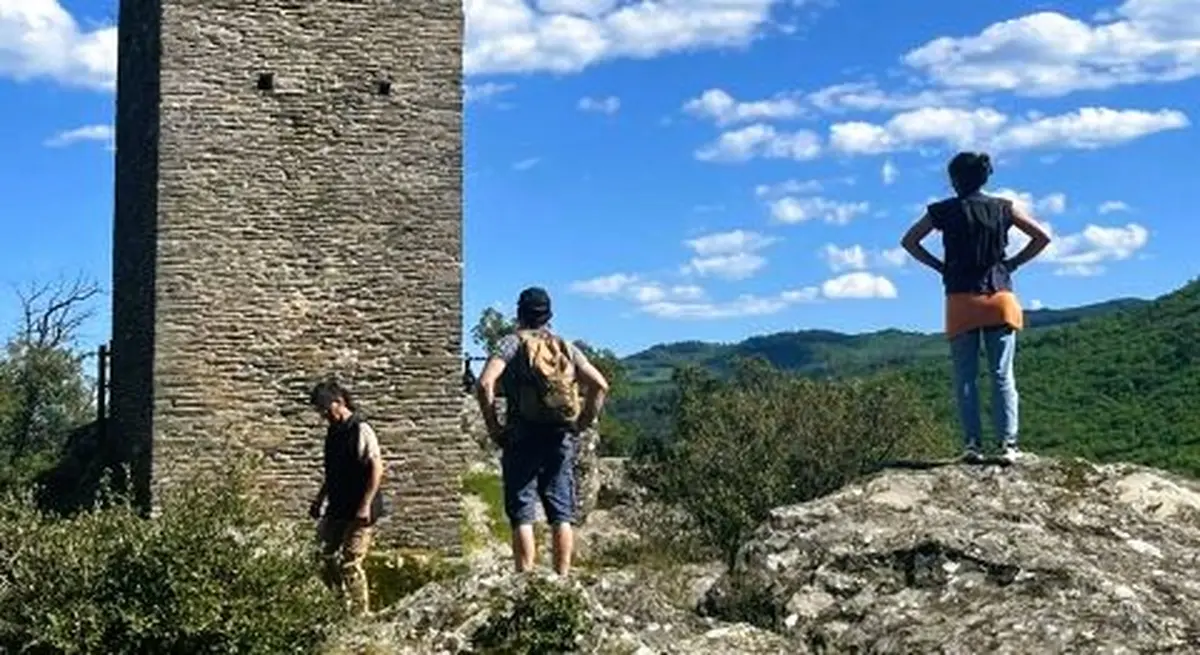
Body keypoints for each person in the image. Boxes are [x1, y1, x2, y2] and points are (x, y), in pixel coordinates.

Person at [900, 151, 1051, 465]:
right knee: (1001, 375)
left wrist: (940, 267)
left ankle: (972, 445)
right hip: (1000, 296)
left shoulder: (942, 211)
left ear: (954, 180)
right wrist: (1012, 264)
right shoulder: (1003, 208)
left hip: (960, 298)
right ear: (985, 177)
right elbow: (1042, 236)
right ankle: (1008, 445)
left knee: (966, 378)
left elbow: (910, 241)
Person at [475, 286, 609, 576]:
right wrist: (581, 423)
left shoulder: (510, 344)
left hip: (521, 435)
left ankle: (525, 579)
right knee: (561, 512)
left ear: (519, 313)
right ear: (548, 315)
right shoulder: (565, 346)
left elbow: (485, 383)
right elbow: (600, 385)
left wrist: (494, 427)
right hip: (560, 435)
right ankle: (562, 578)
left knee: (522, 511)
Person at [308, 380, 384, 615]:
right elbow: (333, 472)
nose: (324, 416)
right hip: (338, 505)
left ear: (339, 402)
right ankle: (338, 605)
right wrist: (320, 499)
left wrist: (365, 505)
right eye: (320, 412)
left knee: (350, 562)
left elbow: (377, 469)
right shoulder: (333, 433)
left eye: (326, 410)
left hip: (361, 508)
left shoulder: (361, 429)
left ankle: (360, 616)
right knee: (321, 555)